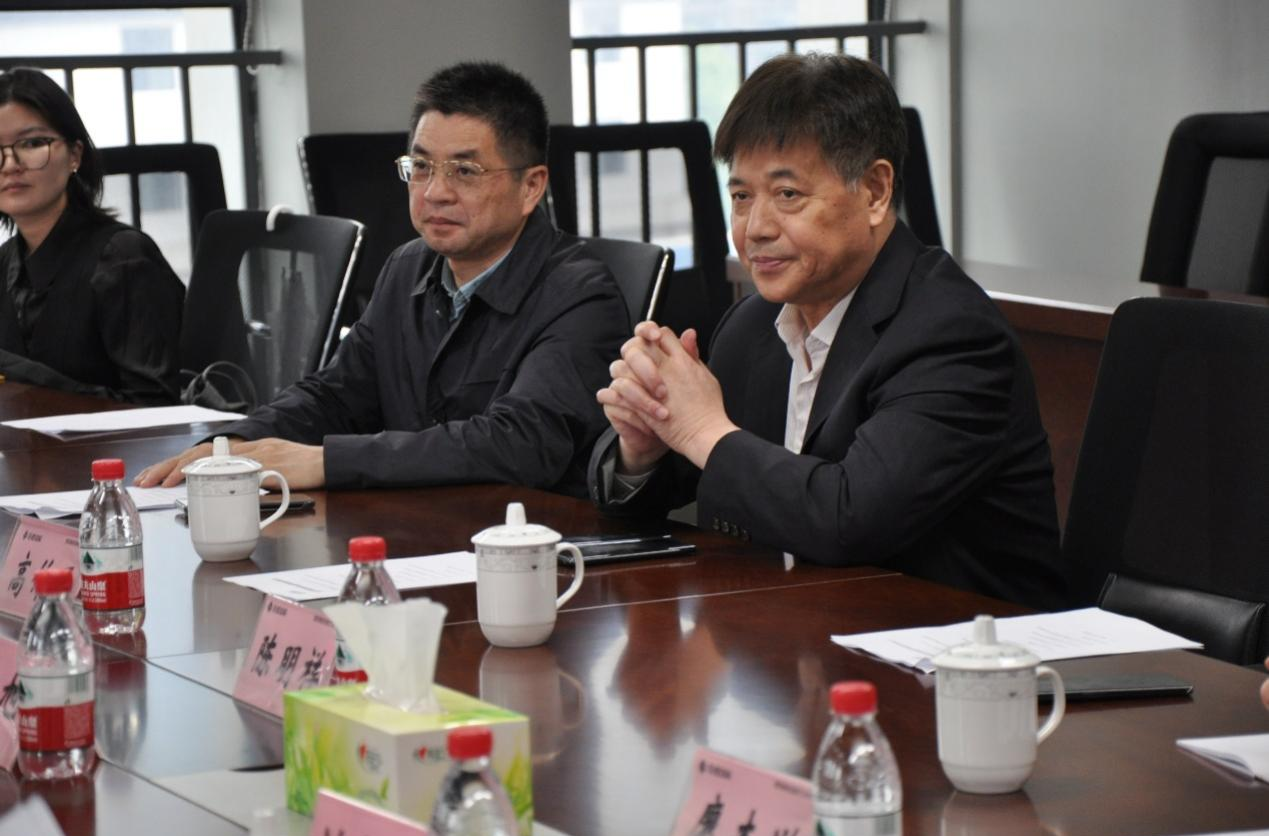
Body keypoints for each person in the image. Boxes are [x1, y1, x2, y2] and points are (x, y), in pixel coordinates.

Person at [592, 53, 1067, 609]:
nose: (755, 228)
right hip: (795, 629)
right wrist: (645, 445)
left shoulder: (952, 334)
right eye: (741, 196)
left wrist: (698, 428)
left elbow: (850, 520)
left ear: (875, 192)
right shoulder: (751, 326)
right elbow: (683, 481)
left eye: (788, 195)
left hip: (959, 644)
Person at [138, 61, 626, 496]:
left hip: (532, 545)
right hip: (419, 529)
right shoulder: (408, 266)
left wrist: (325, 462)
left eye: (465, 171)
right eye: (422, 167)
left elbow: (518, 443)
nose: (435, 192)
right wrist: (234, 444)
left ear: (531, 187)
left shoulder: (582, 296)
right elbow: (338, 394)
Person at [0, 67, 184, 404]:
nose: (10, 164)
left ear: (75, 155)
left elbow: (154, 404)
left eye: (32, 143)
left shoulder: (122, 259)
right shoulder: (4, 262)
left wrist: (24, 375)